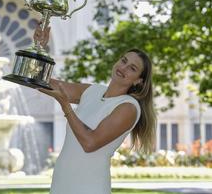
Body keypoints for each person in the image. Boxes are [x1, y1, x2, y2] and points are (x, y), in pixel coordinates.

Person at [34, 25, 157, 194]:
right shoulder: (92, 91)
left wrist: (66, 106)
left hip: (90, 187)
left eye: (132, 68)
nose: (123, 67)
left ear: (139, 81)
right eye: (123, 61)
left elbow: (89, 143)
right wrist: (39, 48)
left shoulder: (128, 107)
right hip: (61, 184)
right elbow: (38, 80)